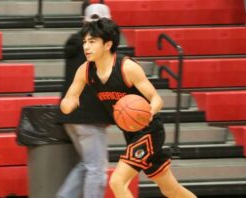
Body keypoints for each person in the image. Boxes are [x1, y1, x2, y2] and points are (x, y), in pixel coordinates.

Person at [60, 18, 197, 198]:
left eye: (92, 42)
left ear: (108, 44)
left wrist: (150, 112)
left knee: (117, 181)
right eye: (85, 42)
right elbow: (69, 98)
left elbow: (156, 99)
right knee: (170, 188)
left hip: (149, 130)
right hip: (131, 133)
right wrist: (68, 105)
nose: (86, 47)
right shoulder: (85, 70)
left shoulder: (127, 68)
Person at [56, 4, 113, 198]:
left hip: (70, 115)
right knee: (96, 169)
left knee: (87, 165)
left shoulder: (75, 42)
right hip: (88, 116)